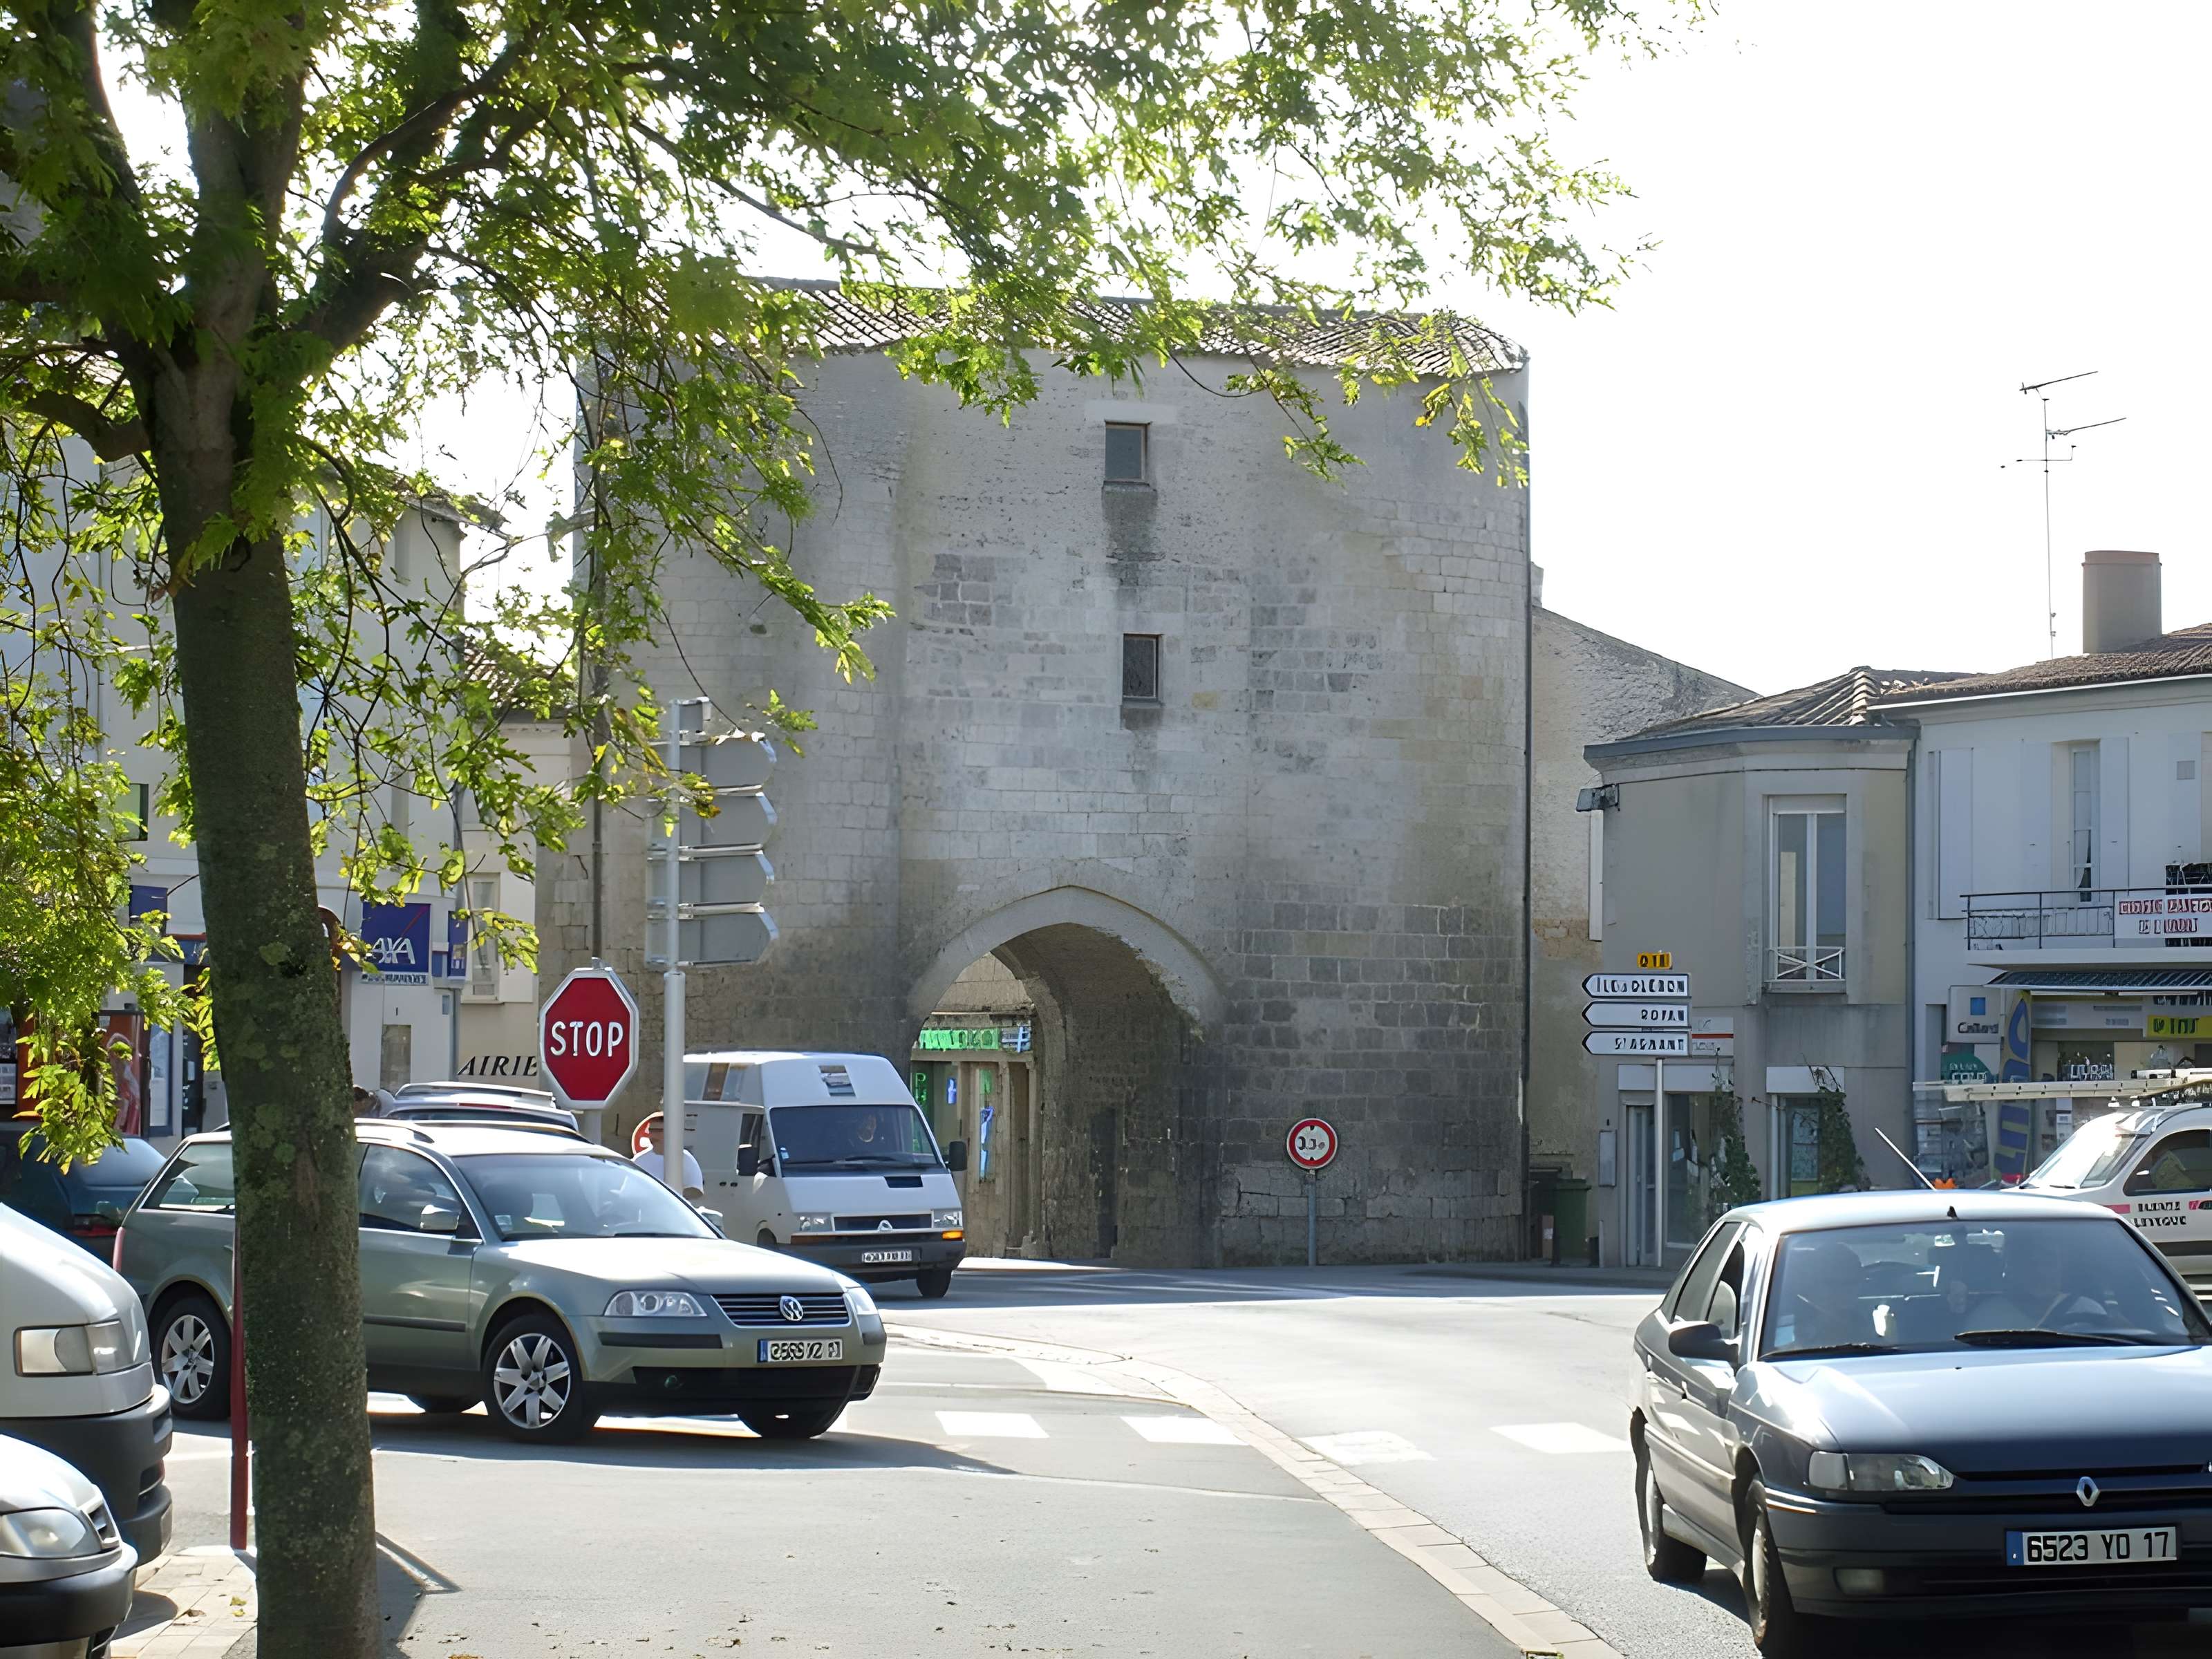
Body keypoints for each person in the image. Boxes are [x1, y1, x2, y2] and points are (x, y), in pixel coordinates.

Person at [1969, 1226, 2110, 1332]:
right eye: (2031, 1263)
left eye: (2048, 1260)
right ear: (2013, 1268)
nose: (2041, 1271)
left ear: (2062, 1267)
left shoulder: (2088, 1311)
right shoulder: (1989, 1316)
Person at [1768, 1237, 1873, 1352]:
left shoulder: (1861, 1325)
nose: (1853, 1289)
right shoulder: (1780, 1322)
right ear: (1816, 1283)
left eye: (1857, 1281)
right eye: (1842, 1283)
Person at [633, 1116, 704, 1201]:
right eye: (651, 1130)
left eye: (659, 1131)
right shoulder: (640, 1160)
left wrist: (669, 1194)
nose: (653, 1135)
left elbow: (697, 1191)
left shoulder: (685, 1158)